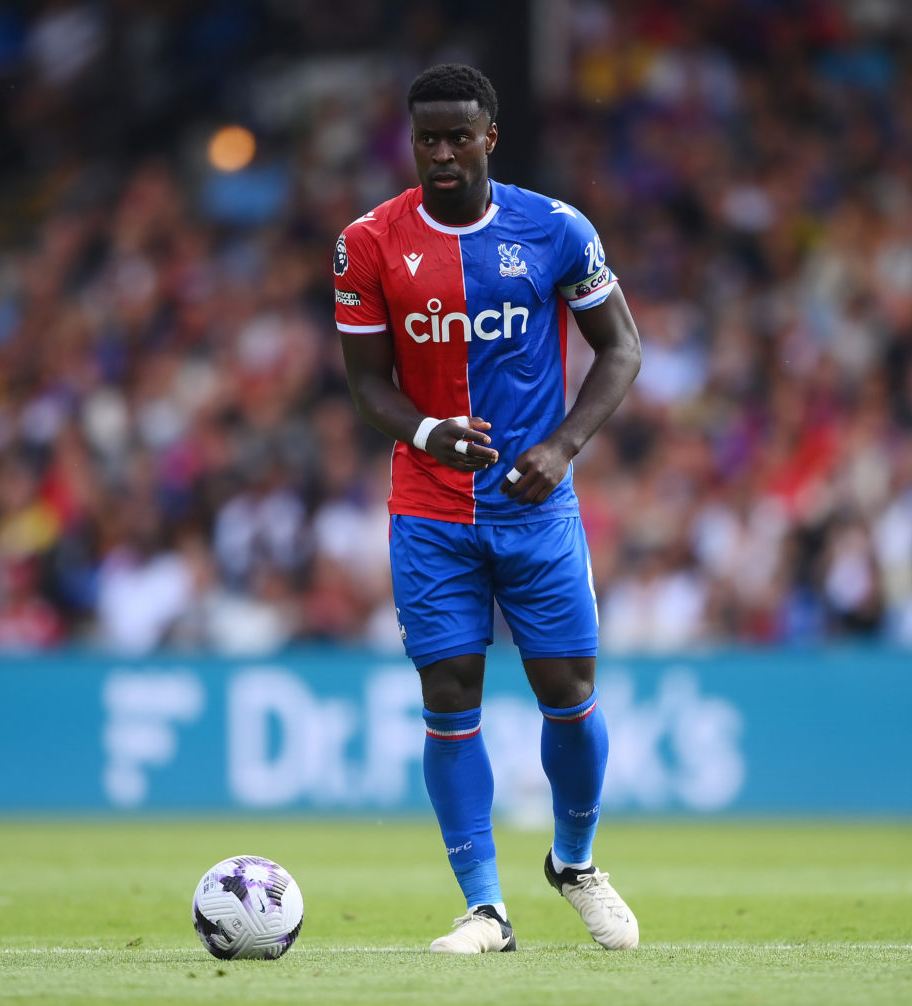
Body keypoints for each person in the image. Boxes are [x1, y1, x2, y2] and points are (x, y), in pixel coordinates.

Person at [335, 64, 642, 953]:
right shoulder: (368, 244)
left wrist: (562, 445)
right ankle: (485, 908)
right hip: (430, 509)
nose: (440, 153)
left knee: (569, 693)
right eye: (426, 138)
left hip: (535, 507)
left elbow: (620, 348)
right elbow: (366, 385)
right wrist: (429, 432)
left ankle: (576, 864)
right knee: (448, 696)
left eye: (457, 136)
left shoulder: (554, 228)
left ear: (488, 138)